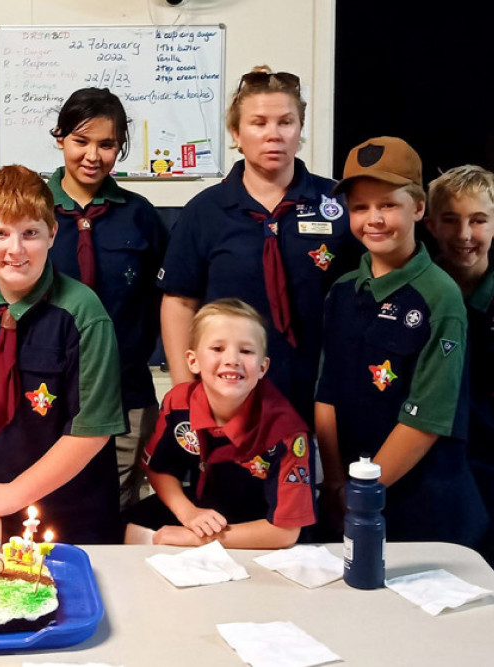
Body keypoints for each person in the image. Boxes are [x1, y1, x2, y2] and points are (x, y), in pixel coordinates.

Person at [0, 165, 126, 544]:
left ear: (53, 233)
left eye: (31, 233)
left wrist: (12, 496)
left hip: (70, 514)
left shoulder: (84, 312)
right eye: (0, 233)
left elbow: (92, 429)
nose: (15, 250)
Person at [159, 67, 361, 424]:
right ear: (236, 133)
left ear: (300, 130)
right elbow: (179, 301)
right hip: (230, 396)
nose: (274, 135)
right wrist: (184, 391)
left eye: (286, 122)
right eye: (259, 123)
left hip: (323, 392)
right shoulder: (205, 211)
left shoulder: (336, 202)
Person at [316, 137, 487, 546]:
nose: (373, 219)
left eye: (388, 205)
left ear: (419, 208)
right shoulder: (342, 291)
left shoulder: (439, 296)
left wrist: (360, 494)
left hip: (421, 507)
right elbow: (327, 394)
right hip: (350, 500)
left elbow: (424, 421)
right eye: (360, 208)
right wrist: (336, 482)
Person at [47, 88, 168, 510]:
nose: (93, 156)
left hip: (126, 391)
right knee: (52, 501)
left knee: (120, 502)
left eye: (107, 144)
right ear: (60, 137)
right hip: (49, 393)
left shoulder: (141, 215)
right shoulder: (32, 210)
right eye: (81, 141)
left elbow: (166, 300)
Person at [124, 299, 314, 549]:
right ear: (193, 361)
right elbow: (160, 468)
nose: (232, 359)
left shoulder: (286, 432)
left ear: (262, 367)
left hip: (262, 531)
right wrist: (188, 513)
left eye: (246, 351)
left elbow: (285, 532)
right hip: (205, 511)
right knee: (127, 527)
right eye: (217, 348)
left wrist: (196, 538)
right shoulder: (178, 402)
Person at [424, 165, 494, 558]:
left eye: (478, 220)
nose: (464, 235)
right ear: (430, 224)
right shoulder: (415, 293)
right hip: (431, 472)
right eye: (451, 220)